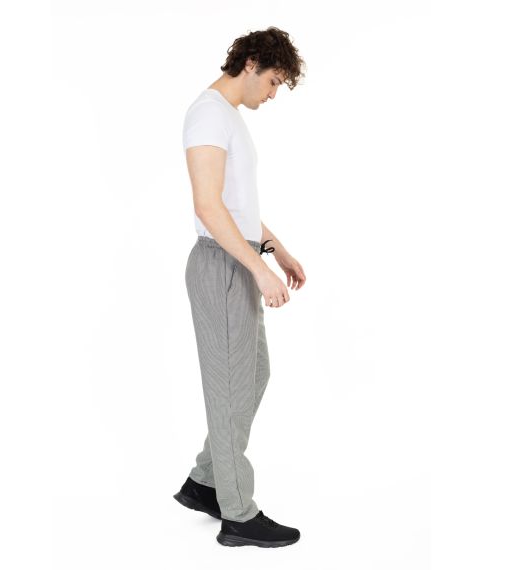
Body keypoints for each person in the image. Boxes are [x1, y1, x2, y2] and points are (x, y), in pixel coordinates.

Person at [173, 26, 307, 548]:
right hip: (222, 266)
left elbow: (238, 208)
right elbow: (208, 206)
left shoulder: (227, 117)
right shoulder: (208, 114)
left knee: (253, 375)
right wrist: (257, 269)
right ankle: (238, 515)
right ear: (251, 64)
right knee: (229, 390)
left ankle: (205, 481)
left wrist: (279, 251)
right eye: (273, 81)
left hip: (238, 258)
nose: (273, 94)